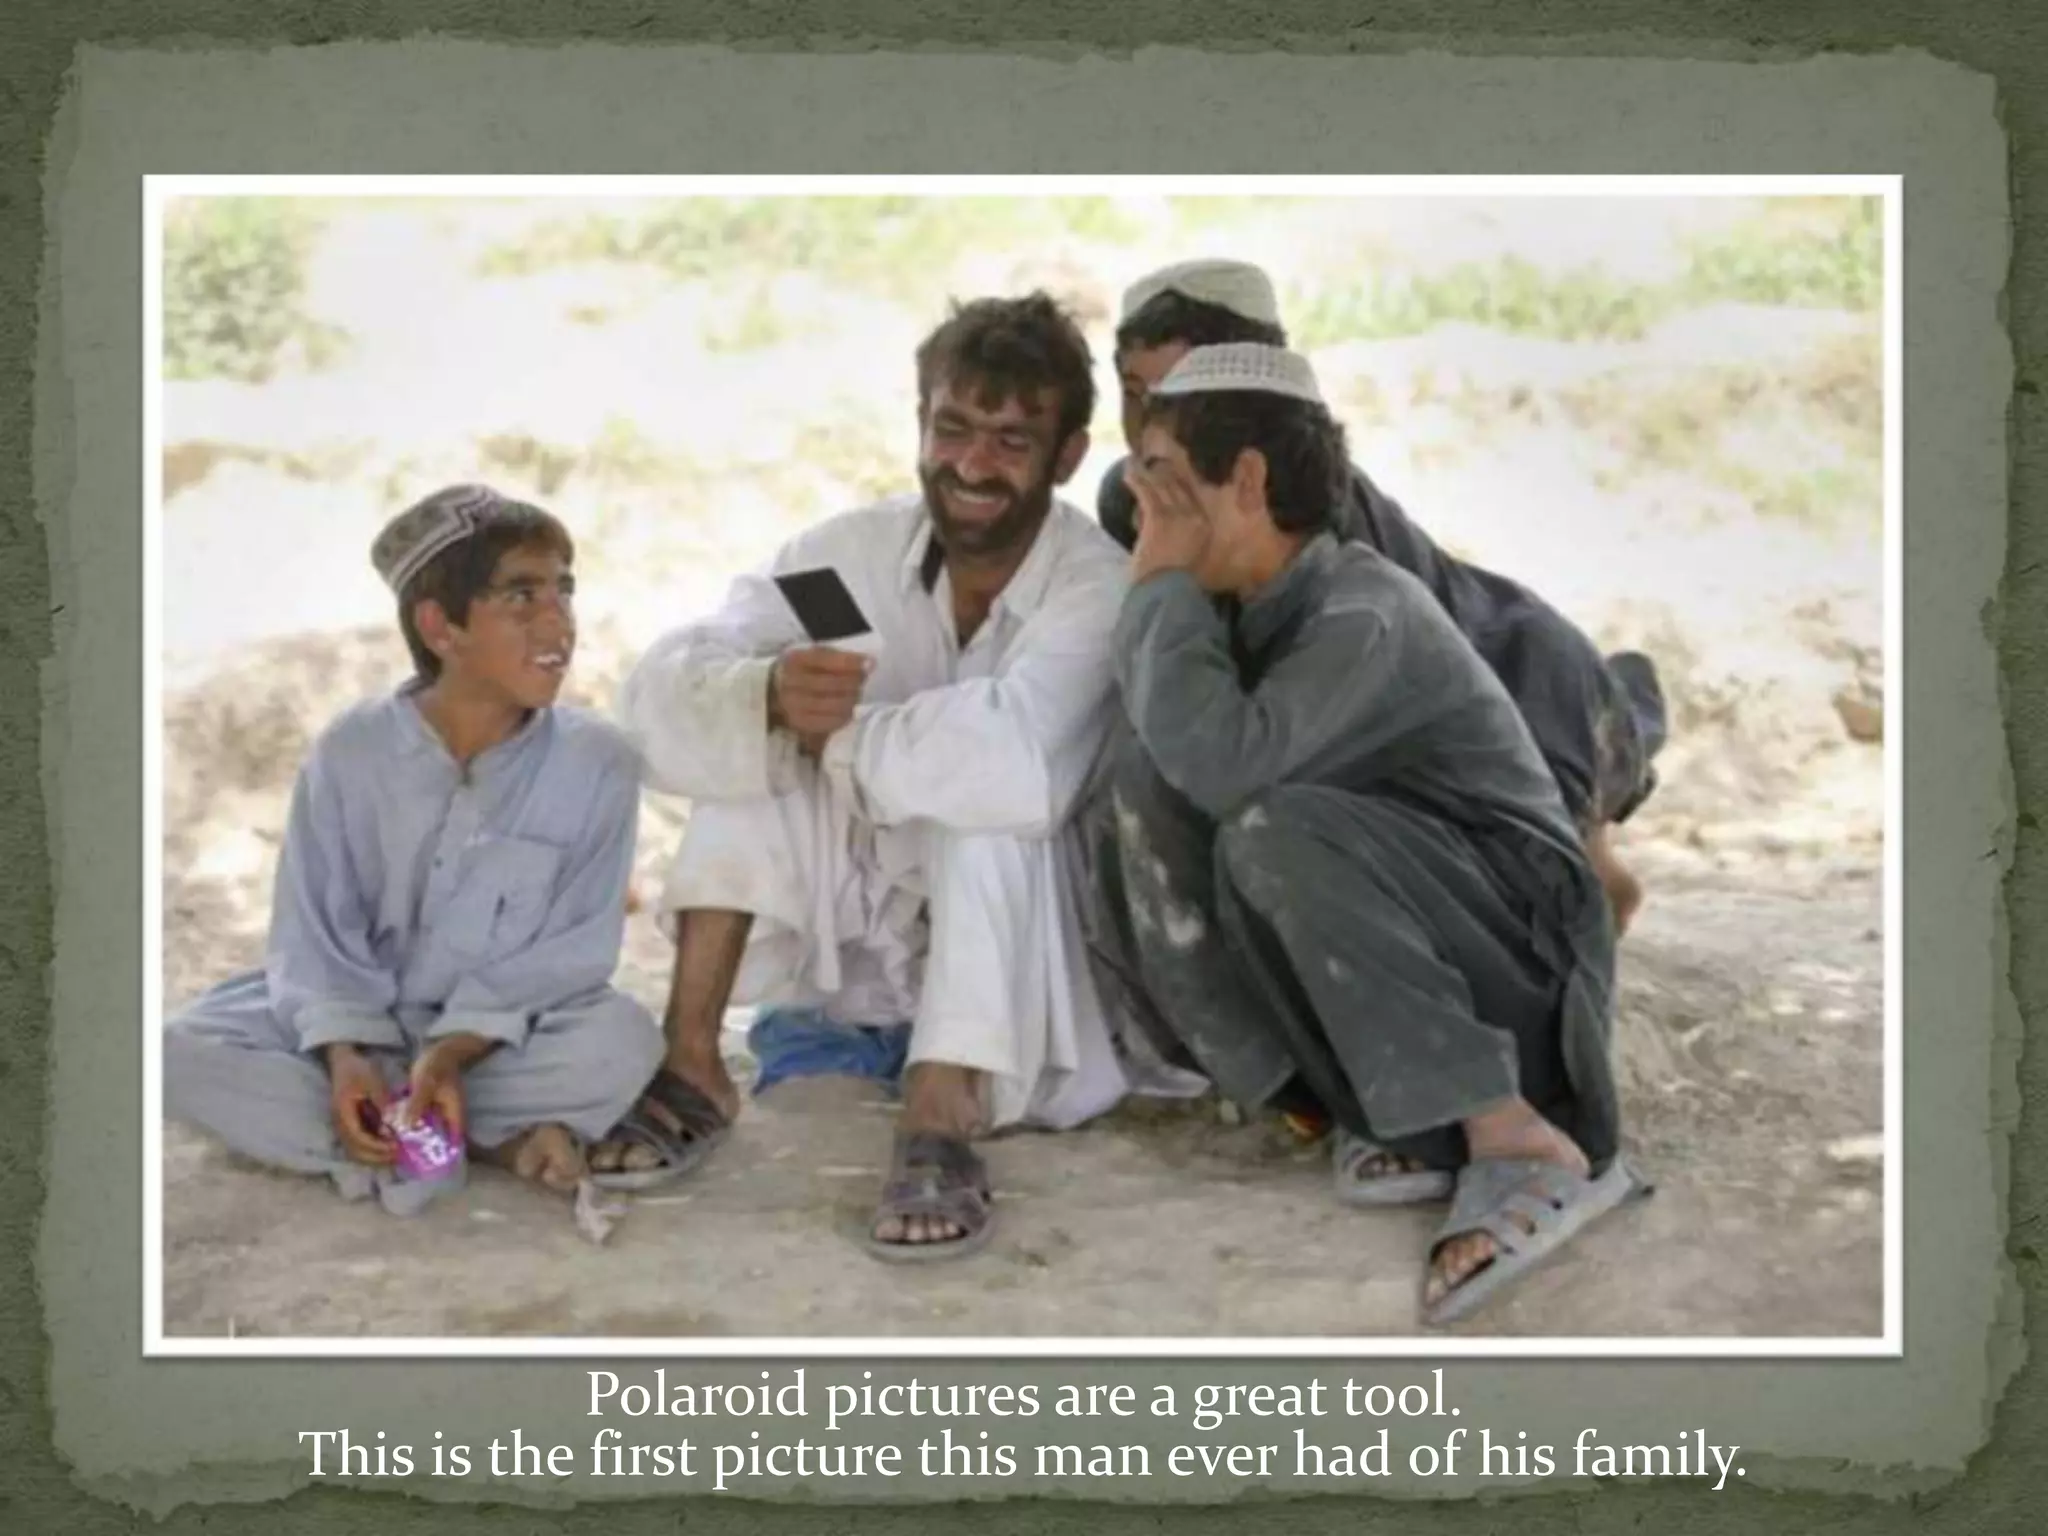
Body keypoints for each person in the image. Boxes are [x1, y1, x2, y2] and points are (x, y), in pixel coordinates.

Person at [1095, 342, 1649, 1325]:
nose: (1148, 511)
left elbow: (1228, 766)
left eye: (1165, 480)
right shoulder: (1245, 611)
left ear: (1250, 478)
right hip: (1414, 947)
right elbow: (1175, 765)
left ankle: (1515, 1132)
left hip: (1518, 951)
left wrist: (1154, 588)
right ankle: (1340, 1099)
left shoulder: (1364, 608)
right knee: (1136, 769)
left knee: (1273, 824)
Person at [596, 291, 1142, 1263]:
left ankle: (939, 1112)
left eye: (1011, 442)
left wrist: (836, 739)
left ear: (1065, 458)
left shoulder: (1092, 584)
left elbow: (1019, 763)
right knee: (746, 737)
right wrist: (764, 693)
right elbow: (663, 695)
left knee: (987, 810)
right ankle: (691, 1068)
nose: (971, 466)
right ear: (920, 422)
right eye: (951, 428)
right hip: (860, 951)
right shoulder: (841, 564)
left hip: (1018, 955)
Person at [1098, 259, 1667, 953]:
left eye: (1187, 393)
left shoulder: (1314, 514)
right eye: (1138, 394)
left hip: (1525, 680)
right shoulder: (1138, 498)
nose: (1157, 422)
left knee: (1561, 869)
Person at [162, 484, 661, 1216]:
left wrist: (451, 1053)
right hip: (352, 1015)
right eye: (521, 596)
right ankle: (465, 1134)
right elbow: (313, 936)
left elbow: (572, 955)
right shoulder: (350, 752)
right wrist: (344, 1052)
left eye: (565, 591)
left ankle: (395, 1128)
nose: (559, 621)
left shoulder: (600, 762)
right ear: (440, 626)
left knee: (622, 1041)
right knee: (176, 1053)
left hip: (500, 1037)